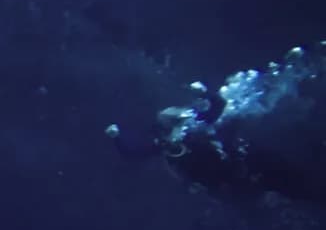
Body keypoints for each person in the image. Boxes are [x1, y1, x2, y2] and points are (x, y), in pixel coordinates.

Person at [108, 40, 325, 206]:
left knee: (292, 180)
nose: (184, 126)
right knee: (289, 188)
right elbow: (133, 152)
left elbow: (218, 106)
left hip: (245, 164)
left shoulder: (195, 125)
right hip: (233, 180)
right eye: (178, 123)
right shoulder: (167, 145)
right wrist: (117, 137)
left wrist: (206, 94)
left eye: (183, 120)